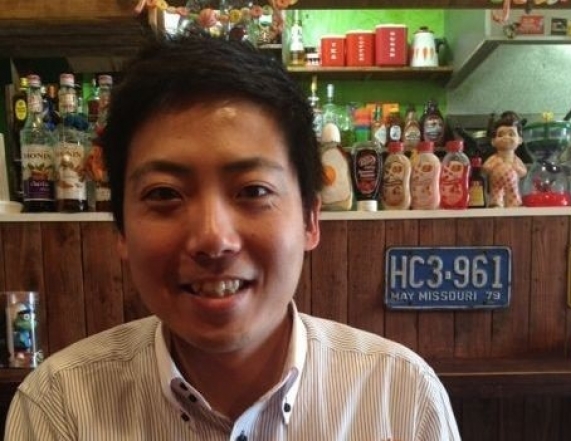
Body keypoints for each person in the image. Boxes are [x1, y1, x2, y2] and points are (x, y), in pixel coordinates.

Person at [5, 35, 460, 440]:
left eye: (254, 191)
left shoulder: (400, 398)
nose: (213, 238)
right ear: (121, 228)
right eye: (164, 194)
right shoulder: (60, 407)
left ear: (310, 219)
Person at [483, 114, 528, 207]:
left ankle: (514, 204)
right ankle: (496, 204)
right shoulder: (494, 158)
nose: (506, 137)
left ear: (520, 140)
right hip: (496, 186)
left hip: (512, 186)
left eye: (511, 134)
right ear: (493, 141)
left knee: (513, 196)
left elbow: (524, 172)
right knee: (496, 196)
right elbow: (485, 169)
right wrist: (493, 165)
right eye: (500, 135)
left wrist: (517, 168)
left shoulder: (516, 160)